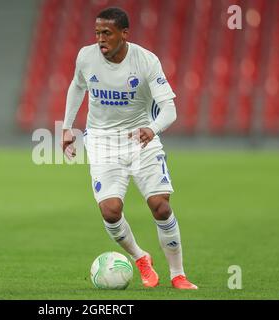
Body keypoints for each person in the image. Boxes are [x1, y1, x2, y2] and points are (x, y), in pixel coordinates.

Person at [61, 7, 197, 290]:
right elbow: (77, 86)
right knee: (110, 211)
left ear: (124, 34)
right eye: (97, 32)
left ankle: (178, 274)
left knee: (160, 206)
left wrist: (153, 128)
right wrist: (66, 126)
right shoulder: (86, 57)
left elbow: (169, 108)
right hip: (101, 141)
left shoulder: (146, 61)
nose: (100, 39)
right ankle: (140, 257)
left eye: (107, 33)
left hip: (141, 139)